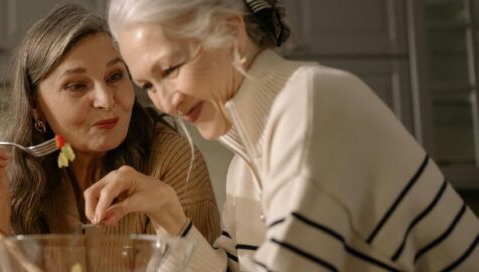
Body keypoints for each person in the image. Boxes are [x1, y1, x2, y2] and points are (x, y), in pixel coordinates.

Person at [83, 0, 479, 271]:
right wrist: (168, 212)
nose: (165, 103)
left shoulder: (313, 102)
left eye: (169, 70)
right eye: (148, 86)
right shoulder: (246, 163)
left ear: (230, 31)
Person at [0, 4, 220, 272]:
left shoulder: (172, 158)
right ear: (35, 106)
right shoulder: (12, 174)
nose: (105, 100)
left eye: (115, 76)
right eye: (77, 85)